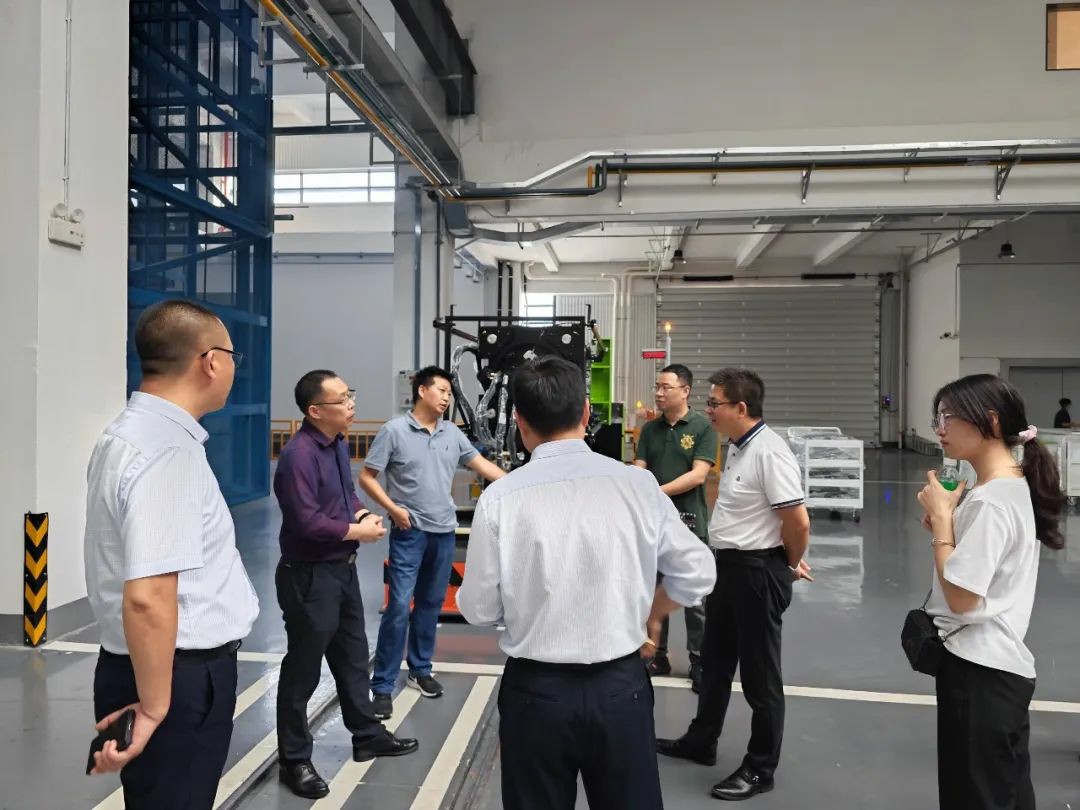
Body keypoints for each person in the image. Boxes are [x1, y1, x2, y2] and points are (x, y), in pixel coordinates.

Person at [456, 355, 716, 810]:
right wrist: (653, 613)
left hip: (536, 693)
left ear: (519, 421)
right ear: (585, 412)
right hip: (620, 687)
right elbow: (698, 570)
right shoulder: (637, 486)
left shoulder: (501, 498)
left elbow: (479, 609)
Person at [84, 299, 259, 809]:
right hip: (176, 678)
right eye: (232, 356)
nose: (233, 368)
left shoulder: (125, 434)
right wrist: (156, 706)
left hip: (141, 662)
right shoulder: (167, 450)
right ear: (210, 361)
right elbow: (149, 595)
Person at [657, 367, 812, 802]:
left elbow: (797, 521)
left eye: (714, 403)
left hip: (757, 573)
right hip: (728, 568)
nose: (708, 410)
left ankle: (761, 767)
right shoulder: (739, 446)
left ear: (741, 408)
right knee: (715, 661)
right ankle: (701, 740)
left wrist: (787, 564)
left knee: (761, 677)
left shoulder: (769, 452)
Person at [918, 374, 1064, 810]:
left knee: (975, 796)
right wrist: (949, 526)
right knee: (1008, 792)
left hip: (977, 671)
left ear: (992, 421)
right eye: (937, 418)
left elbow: (962, 599)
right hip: (1002, 669)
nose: (939, 428)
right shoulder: (1008, 484)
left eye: (948, 417)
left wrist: (942, 525)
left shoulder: (989, 501)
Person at [274, 370, 418, 799]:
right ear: (315, 410)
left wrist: (362, 515)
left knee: (354, 657)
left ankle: (366, 734)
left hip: (341, 570)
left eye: (349, 395)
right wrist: (358, 532)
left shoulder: (336, 443)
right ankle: (294, 759)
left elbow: (345, 496)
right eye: (341, 399)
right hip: (309, 576)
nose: (351, 404)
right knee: (303, 670)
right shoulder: (298, 457)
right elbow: (306, 522)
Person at [360, 366, 505, 718]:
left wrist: (523, 481)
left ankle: (420, 669)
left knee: (430, 604)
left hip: (443, 531)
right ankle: (382, 685)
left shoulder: (451, 433)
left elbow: (482, 466)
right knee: (399, 606)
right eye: (441, 390)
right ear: (422, 390)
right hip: (409, 532)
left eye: (449, 394)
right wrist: (393, 509)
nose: (446, 398)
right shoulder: (394, 431)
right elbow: (367, 476)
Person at [633, 363, 718, 690]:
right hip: (653, 526)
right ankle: (658, 655)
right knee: (655, 592)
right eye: (657, 386)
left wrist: (655, 492)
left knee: (694, 599)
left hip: (689, 524)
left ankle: (699, 660)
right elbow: (639, 468)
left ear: (685, 391)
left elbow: (698, 475)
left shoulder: (702, 427)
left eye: (665, 387)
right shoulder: (650, 430)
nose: (658, 392)